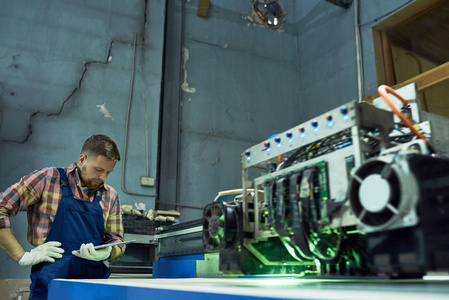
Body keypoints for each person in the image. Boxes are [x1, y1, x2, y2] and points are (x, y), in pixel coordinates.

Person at [0, 134, 125, 300]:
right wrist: (22, 256)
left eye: (109, 172)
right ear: (82, 159)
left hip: (94, 289)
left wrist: (108, 253)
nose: (103, 177)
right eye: (99, 170)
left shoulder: (110, 195)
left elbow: (118, 242)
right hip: (51, 286)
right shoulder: (48, 179)